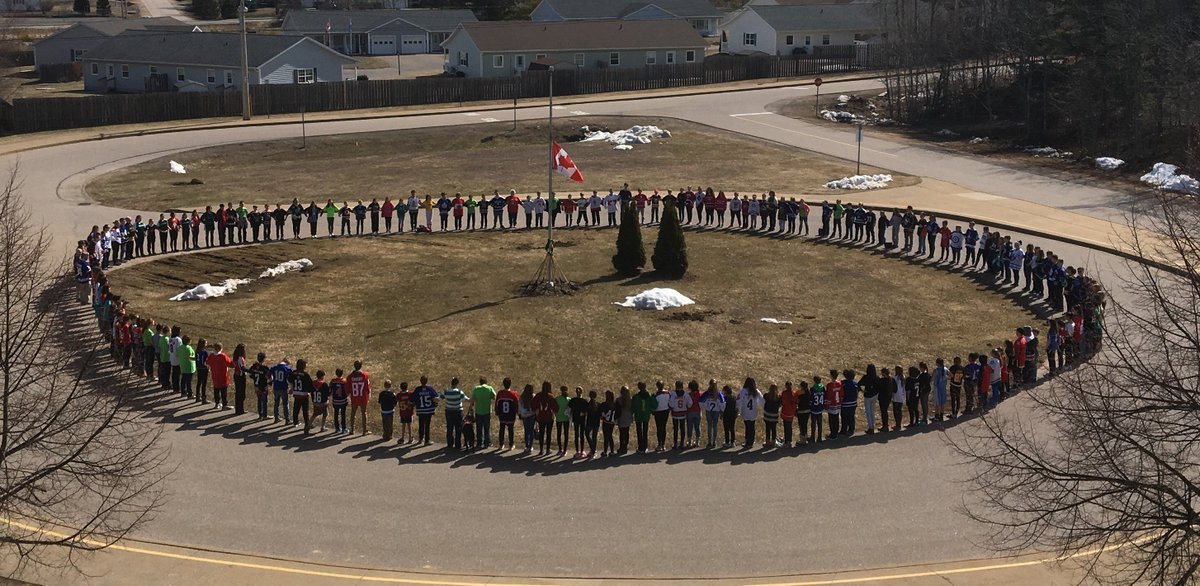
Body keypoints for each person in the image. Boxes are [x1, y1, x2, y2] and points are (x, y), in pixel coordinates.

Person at [532, 382, 558, 455]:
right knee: (548, 434)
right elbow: (556, 408)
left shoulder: (538, 395)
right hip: (549, 418)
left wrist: (536, 410)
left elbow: (533, 405)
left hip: (540, 417)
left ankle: (541, 449)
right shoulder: (550, 396)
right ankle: (548, 449)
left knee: (541, 434)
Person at [737, 378, 764, 449]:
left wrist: (738, 409)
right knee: (751, 427)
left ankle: (748, 441)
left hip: (745, 412)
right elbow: (762, 401)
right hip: (753, 412)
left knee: (747, 427)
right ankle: (750, 441)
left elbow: (739, 401)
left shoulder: (743, 391)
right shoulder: (756, 391)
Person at [290, 358, 315, 434]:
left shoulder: (293, 373)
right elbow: (310, 385)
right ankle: (307, 424)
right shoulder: (305, 375)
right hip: (304, 395)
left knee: (296, 408)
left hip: (297, 393)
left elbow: (289, 380)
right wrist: (310, 391)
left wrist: (292, 388)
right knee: (305, 411)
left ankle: (295, 421)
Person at [412, 375, 439, 445]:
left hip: (421, 410)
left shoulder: (417, 389)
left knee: (421, 425)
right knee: (427, 425)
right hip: (428, 410)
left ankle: (420, 439)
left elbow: (413, 398)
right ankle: (427, 440)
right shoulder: (430, 389)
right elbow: (436, 397)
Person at [471, 377, 496, 450]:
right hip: (487, 411)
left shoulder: (476, 389)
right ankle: (487, 442)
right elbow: (494, 397)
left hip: (478, 411)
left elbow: (473, 399)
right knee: (486, 427)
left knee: (479, 428)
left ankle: (479, 442)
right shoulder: (489, 388)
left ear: (480, 382)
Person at [206, 342, 232, 410]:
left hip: (215, 375)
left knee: (216, 390)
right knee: (223, 391)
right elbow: (230, 363)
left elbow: (207, 362)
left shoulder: (211, 356)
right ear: (221, 348)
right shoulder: (223, 356)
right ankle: (224, 404)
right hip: (223, 376)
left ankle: (217, 403)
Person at [348, 360, 371, 435]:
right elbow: (368, 387)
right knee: (364, 413)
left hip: (354, 397)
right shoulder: (365, 375)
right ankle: (364, 430)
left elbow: (348, 387)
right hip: (362, 397)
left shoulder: (350, 376)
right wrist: (368, 395)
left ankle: (352, 429)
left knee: (353, 413)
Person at [442, 377, 466, 449]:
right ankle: (457, 444)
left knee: (449, 427)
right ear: (457, 384)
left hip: (449, 411)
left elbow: (439, 399)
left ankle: (450, 443)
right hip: (458, 411)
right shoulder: (459, 392)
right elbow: (466, 399)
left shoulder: (446, 391)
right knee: (458, 428)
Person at [495, 379, 519, 450]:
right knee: (510, 429)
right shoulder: (513, 394)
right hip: (511, 415)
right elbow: (517, 404)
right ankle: (511, 445)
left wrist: (497, 412)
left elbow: (497, 404)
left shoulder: (500, 393)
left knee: (501, 429)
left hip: (502, 415)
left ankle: (501, 444)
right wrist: (517, 412)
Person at [700, 380, 724, 449]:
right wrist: (721, 410)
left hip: (709, 411)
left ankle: (710, 442)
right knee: (715, 426)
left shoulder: (707, 393)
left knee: (709, 426)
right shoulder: (718, 394)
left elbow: (701, 402)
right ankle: (714, 441)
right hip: (716, 411)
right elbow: (722, 403)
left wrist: (705, 408)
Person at [247, 352, 271, 420]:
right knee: (264, 401)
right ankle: (265, 415)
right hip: (263, 386)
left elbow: (251, 375)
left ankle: (260, 414)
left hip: (256, 385)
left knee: (259, 400)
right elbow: (268, 377)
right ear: (263, 359)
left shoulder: (254, 366)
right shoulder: (265, 368)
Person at [569, 387, 589, 458]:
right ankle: (581, 451)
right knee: (580, 435)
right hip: (581, 420)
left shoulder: (573, 400)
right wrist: (583, 414)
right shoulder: (584, 400)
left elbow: (569, 409)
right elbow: (587, 411)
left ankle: (578, 451)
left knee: (577, 435)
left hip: (577, 419)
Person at [270, 357, 292, 424]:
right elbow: (290, 379)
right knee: (285, 403)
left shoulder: (274, 367)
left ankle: (276, 418)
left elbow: (269, 374)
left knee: (276, 403)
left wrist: (271, 380)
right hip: (283, 388)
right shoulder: (287, 368)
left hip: (276, 387)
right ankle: (287, 419)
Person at [669, 381, 690, 450]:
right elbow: (690, 403)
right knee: (682, 428)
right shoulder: (686, 394)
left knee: (675, 429)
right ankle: (682, 443)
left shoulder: (673, 394)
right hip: (683, 413)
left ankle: (675, 444)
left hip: (675, 414)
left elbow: (671, 404)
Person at [328, 368, 349, 434]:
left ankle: (337, 428)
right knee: (343, 414)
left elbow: (330, 390)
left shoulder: (333, 381)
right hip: (343, 400)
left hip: (335, 400)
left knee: (336, 414)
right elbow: (347, 390)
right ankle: (344, 428)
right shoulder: (345, 381)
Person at [652, 380, 670, 452]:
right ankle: (663, 444)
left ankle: (660, 444)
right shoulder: (668, 393)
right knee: (663, 427)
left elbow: (653, 404)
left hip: (658, 412)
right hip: (665, 411)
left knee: (659, 428)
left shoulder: (655, 394)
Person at [860, 366, 878, 435]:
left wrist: (862, 391)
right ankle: (873, 426)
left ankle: (870, 428)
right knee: (872, 411)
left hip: (867, 395)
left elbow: (859, 384)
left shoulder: (866, 377)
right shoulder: (876, 377)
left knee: (868, 412)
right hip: (875, 395)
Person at [176, 335, 196, 401]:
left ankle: (183, 392)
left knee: (183, 379)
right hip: (189, 367)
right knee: (188, 381)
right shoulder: (188, 348)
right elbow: (190, 357)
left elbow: (177, 355)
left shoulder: (179, 348)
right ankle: (189, 393)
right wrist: (196, 358)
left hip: (182, 366)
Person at [518, 384, 536, 454]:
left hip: (524, 415)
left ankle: (526, 445)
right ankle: (530, 446)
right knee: (531, 431)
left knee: (526, 430)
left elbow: (519, 406)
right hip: (532, 415)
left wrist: (519, 414)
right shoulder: (533, 396)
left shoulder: (522, 397)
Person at [840, 369, 858, 437]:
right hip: (853, 403)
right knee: (851, 417)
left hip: (845, 403)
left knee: (844, 417)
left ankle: (844, 430)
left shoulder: (843, 383)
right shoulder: (855, 383)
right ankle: (851, 430)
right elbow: (856, 393)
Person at [825, 371, 842, 440]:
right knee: (836, 419)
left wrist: (826, 406)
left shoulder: (829, 385)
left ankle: (833, 435)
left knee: (832, 420)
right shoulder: (839, 383)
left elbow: (829, 396)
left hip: (832, 405)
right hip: (838, 404)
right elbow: (841, 394)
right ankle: (835, 433)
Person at [232, 343, 248, 415]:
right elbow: (242, 368)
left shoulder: (235, 357)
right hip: (240, 376)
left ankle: (238, 409)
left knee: (238, 392)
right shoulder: (240, 358)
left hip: (236, 375)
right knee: (241, 393)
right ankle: (240, 409)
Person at [583, 390, 600, 458]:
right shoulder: (598, 404)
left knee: (587, 434)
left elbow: (585, 412)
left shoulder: (588, 404)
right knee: (594, 437)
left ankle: (592, 448)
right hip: (596, 422)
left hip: (589, 422)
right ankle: (593, 450)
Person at [554, 385, 571, 456]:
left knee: (559, 434)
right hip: (566, 418)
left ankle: (560, 449)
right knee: (566, 434)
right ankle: (565, 450)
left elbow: (554, 408)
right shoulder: (569, 399)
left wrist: (556, 414)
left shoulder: (557, 399)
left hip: (559, 418)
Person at [599, 390, 616, 457]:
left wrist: (602, 417)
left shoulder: (604, 404)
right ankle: (612, 451)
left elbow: (600, 412)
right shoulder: (615, 404)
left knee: (606, 436)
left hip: (605, 422)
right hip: (611, 422)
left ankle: (605, 451)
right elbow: (618, 413)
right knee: (610, 436)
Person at [616, 386, 632, 455]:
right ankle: (625, 446)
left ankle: (621, 447)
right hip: (628, 417)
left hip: (621, 417)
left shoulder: (618, 400)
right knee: (626, 432)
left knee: (621, 433)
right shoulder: (630, 400)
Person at [809, 377, 826, 444]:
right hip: (820, 408)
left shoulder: (812, 389)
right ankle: (819, 437)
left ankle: (813, 437)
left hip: (814, 409)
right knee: (820, 423)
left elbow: (811, 399)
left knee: (813, 423)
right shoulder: (823, 388)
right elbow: (825, 397)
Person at [932, 358, 949, 422]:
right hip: (943, 387)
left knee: (937, 402)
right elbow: (951, 375)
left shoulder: (936, 370)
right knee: (942, 402)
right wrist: (946, 378)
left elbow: (932, 379)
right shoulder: (945, 369)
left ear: (937, 363)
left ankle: (936, 415)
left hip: (937, 388)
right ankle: (941, 415)